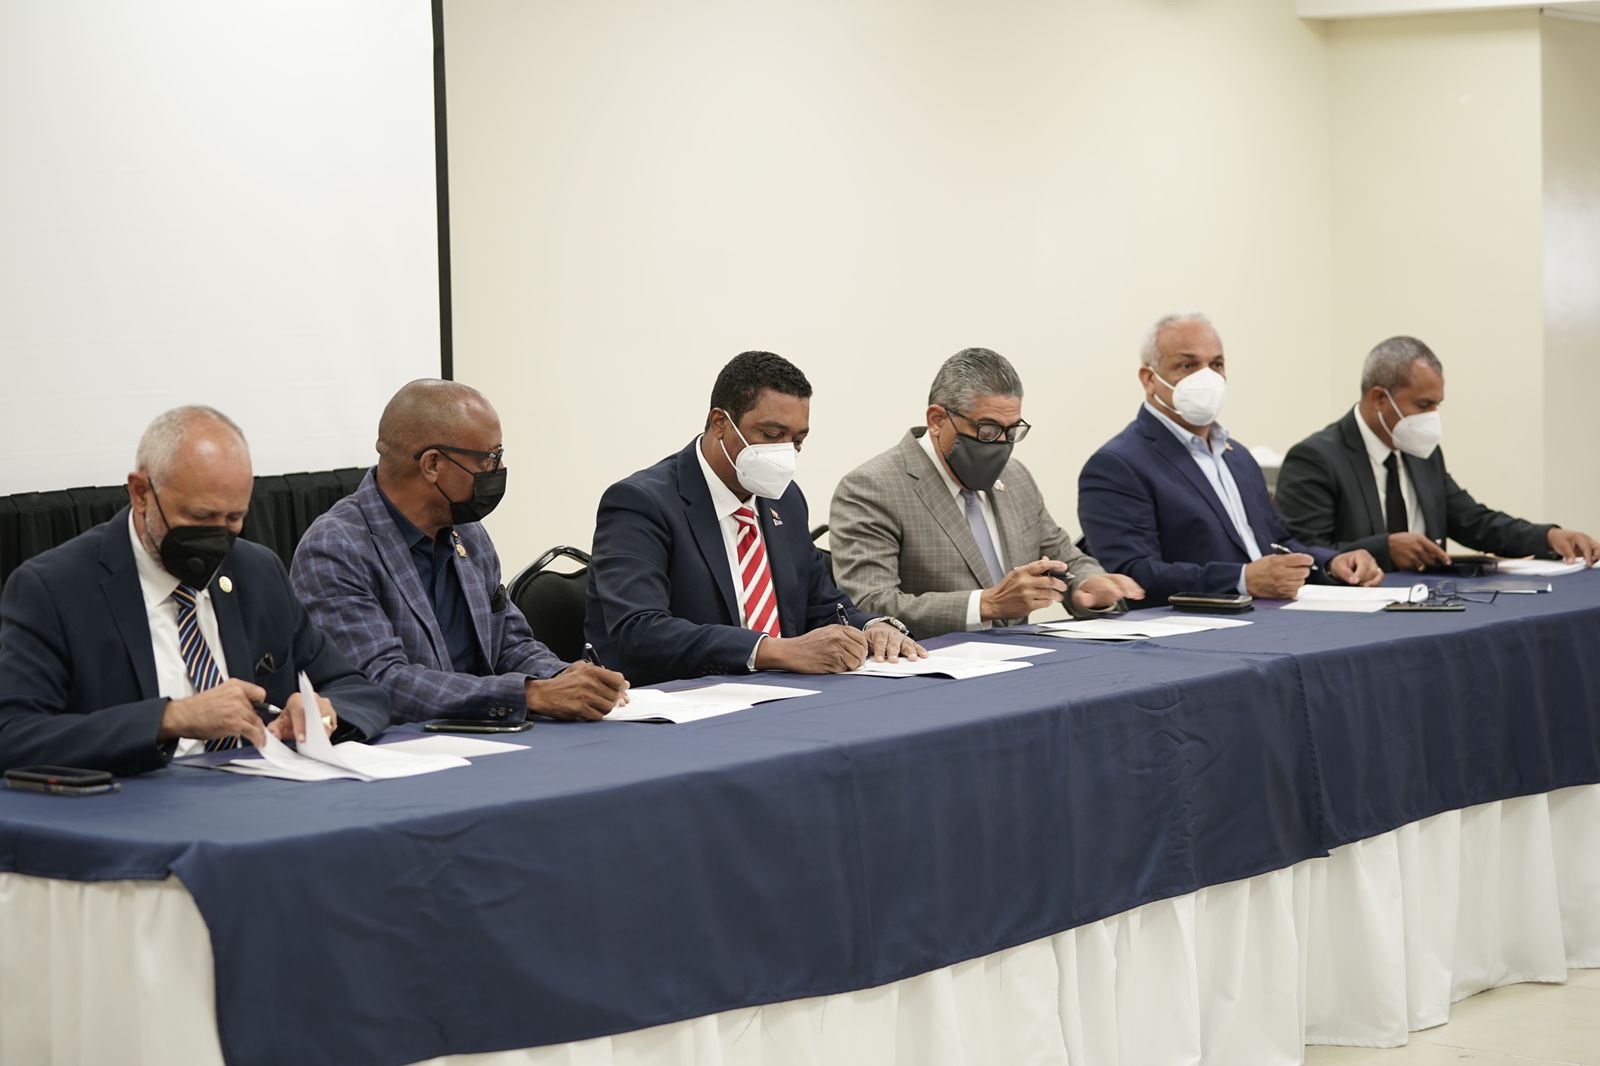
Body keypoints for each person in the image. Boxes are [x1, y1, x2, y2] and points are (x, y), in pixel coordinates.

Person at [0, 406, 390, 775]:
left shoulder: (256, 572)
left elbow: (357, 690)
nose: (217, 536)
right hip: (131, 806)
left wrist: (322, 713)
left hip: (260, 798)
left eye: (234, 517)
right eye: (200, 517)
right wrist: (170, 719)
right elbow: (14, 735)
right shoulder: (55, 589)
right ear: (141, 493)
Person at [291, 380, 628, 723]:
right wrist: (529, 694)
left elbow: (509, 644)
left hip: (485, 735)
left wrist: (566, 678)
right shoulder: (336, 549)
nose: (499, 469)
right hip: (403, 745)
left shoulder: (468, 533)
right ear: (432, 464)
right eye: (489, 458)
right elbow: (380, 682)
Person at [586, 350, 926, 687]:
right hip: (679, 699)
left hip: (782, 693)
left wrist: (872, 627)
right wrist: (772, 650)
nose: (786, 453)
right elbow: (640, 630)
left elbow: (821, 604)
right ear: (720, 423)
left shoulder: (784, 499)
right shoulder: (640, 502)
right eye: (772, 435)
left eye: (798, 440)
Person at [829, 347, 1143, 638]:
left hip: (1022, 660)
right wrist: (985, 605)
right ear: (937, 420)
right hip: (930, 667)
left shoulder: (1016, 477)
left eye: (1012, 431)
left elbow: (1064, 557)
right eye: (988, 430)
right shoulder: (872, 487)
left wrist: (1089, 585)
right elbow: (870, 604)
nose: (1001, 444)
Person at [1077, 311, 1384, 607]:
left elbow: (1275, 542)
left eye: (1216, 364)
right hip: (1195, 628)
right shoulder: (1117, 465)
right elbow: (1132, 574)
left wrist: (1331, 563)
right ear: (1149, 379)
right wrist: (1241, 579)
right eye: (1187, 365)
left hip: (1270, 616)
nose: (1207, 377)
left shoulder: (1238, 457)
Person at [1276, 336, 1600, 571]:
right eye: (1423, 405)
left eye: (1437, 405)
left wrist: (1548, 536)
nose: (1432, 417)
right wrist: (1385, 549)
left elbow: (1474, 521)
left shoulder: (1421, 451)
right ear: (1379, 400)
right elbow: (1303, 552)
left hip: (1430, 602)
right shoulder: (1315, 458)